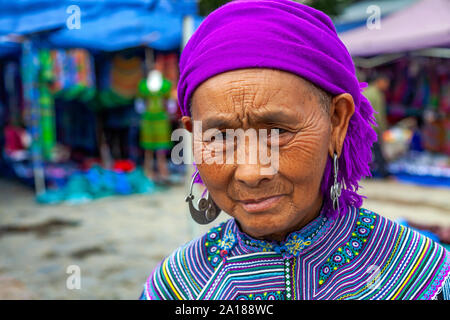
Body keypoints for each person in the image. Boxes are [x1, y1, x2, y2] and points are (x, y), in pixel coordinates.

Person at [140, 0, 449, 300]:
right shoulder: (176, 287)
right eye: (220, 137)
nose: (251, 173)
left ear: (337, 123)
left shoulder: (423, 278)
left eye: (277, 132)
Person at [363, 73, 392, 178]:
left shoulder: (366, 91)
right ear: (380, 81)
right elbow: (379, 114)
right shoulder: (377, 94)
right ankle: (384, 174)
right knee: (377, 151)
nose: (387, 86)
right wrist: (383, 129)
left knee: (367, 151)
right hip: (372, 128)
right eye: (386, 83)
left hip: (363, 126)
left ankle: (367, 173)